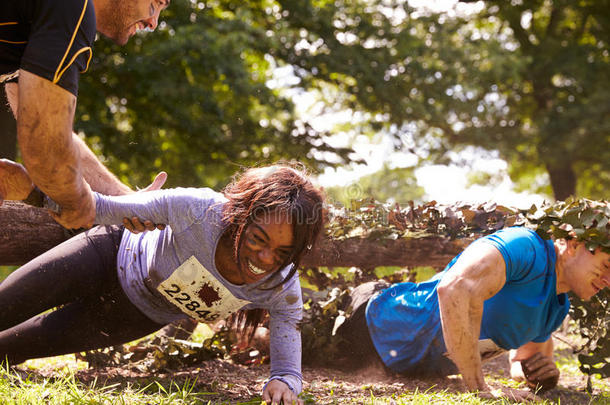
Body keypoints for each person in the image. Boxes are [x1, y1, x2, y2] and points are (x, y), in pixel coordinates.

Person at [0, 163, 324, 405]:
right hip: (106, 255)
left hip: (132, 317)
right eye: (258, 239)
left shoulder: (280, 287)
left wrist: (283, 385)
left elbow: (287, 369)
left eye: (282, 252)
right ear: (240, 216)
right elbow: (101, 207)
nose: (265, 258)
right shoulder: (198, 209)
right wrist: (33, 193)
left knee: (6, 350)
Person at [332, 226, 610, 401]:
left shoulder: (556, 310)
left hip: (404, 364)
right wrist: (478, 389)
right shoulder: (524, 246)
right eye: (607, 265)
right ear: (574, 243)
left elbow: (521, 362)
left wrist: (541, 375)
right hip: (367, 320)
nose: (609, 280)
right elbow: (453, 289)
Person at [1, 0, 171, 229]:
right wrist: (81, 203)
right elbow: (45, 144)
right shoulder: (72, 7)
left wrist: (125, 199)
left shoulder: (38, 16)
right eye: (156, 3)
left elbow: (43, 124)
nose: (153, 22)